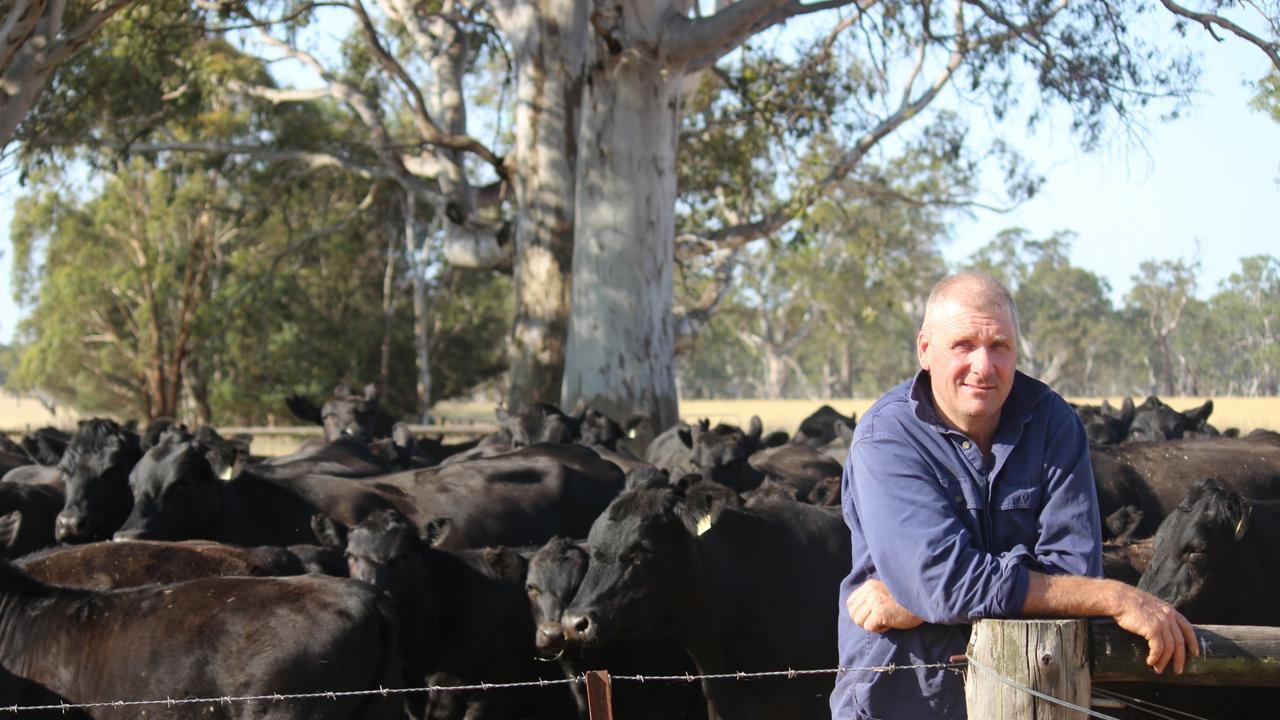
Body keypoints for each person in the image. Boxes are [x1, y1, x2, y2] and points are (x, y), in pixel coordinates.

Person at [830, 272, 1197, 720]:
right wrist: (1112, 597)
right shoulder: (886, 438)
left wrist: (917, 601)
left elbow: (1074, 568)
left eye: (999, 346)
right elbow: (947, 583)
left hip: (1030, 699)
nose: (984, 366)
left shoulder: (1053, 423)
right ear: (925, 350)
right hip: (904, 701)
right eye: (963, 345)